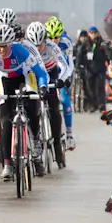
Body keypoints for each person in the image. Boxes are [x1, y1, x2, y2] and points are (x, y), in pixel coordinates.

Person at [0, 24, 49, 182]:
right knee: (5, 120)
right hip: (3, 80)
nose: (2, 50)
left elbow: (39, 73)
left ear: (11, 43)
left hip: (23, 78)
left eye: (5, 46)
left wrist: (43, 87)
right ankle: (7, 164)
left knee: (32, 107)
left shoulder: (21, 51)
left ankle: (35, 142)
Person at [26, 21, 70, 166]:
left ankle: (57, 143)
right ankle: (35, 138)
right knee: (32, 107)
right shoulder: (25, 47)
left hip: (51, 73)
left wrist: (61, 79)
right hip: (33, 74)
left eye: (41, 44)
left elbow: (64, 66)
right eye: (35, 45)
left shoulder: (52, 46)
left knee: (54, 107)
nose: (38, 48)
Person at [45, 17, 76, 149]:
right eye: (50, 37)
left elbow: (70, 64)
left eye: (56, 37)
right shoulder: (42, 42)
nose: (53, 41)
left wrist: (67, 78)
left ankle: (69, 134)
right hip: (48, 71)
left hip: (63, 72)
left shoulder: (66, 42)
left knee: (64, 100)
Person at [86, 26, 108, 112]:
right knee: (90, 88)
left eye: (95, 33)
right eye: (91, 33)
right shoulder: (86, 43)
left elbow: (107, 54)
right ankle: (93, 105)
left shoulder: (101, 43)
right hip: (90, 69)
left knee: (100, 88)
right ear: (89, 34)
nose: (93, 35)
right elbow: (80, 54)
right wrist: (79, 64)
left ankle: (102, 105)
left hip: (100, 68)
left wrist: (110, 62)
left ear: (97, 33)